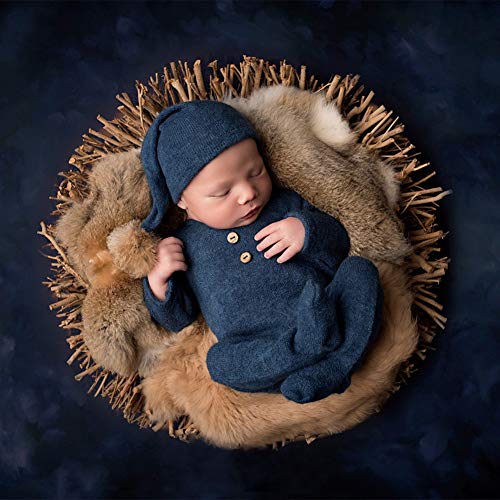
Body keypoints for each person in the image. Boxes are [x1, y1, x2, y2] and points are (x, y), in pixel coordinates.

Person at [140, 100, 384, 404]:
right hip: (261, 348)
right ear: (182, 201)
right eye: (222, 192)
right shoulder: (185, 244)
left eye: (255, 172)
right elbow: (178, 319)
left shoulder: (283, 204)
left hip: (327, 310)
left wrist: (305, 230)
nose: (248, 193)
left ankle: (336, 366)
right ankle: (303, 351)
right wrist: (159, 281)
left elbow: (337, 249)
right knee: (220, 363)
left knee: (360, 271)